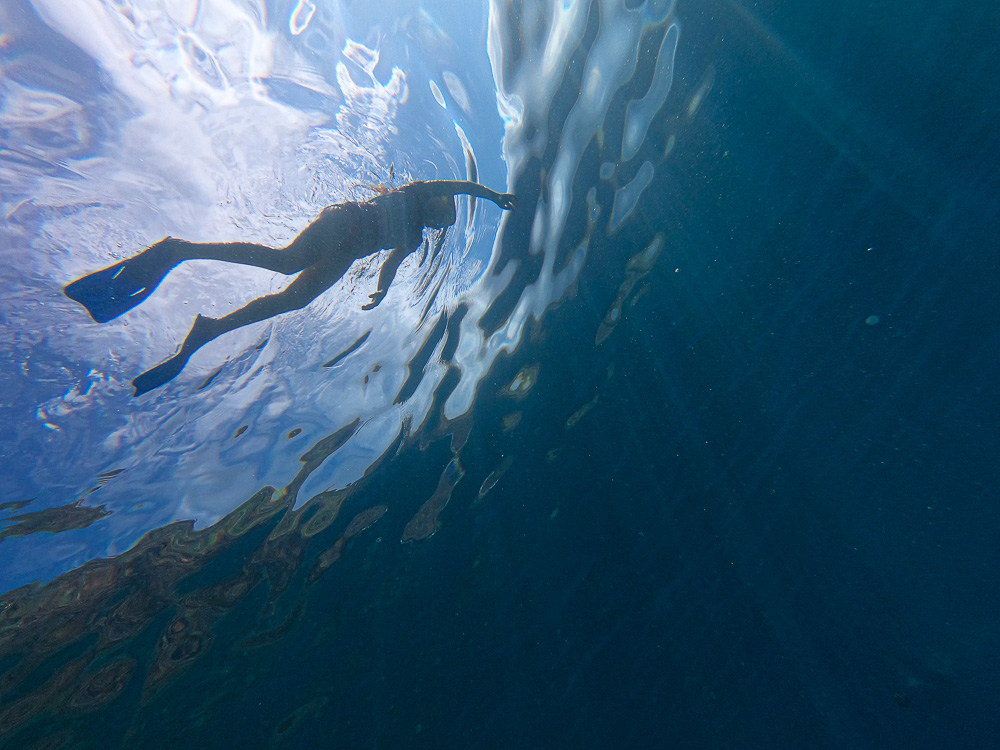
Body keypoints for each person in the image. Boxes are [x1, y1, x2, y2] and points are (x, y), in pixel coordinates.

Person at [64, 180, 516, 396]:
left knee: (293, 298)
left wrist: (381, 291)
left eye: (442, 222)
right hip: (344, 222)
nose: (439, 220)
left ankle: (210, 329)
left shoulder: (414, 236)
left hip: (347, 253)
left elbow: (392, 263)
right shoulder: (418, 193)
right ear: (438, 202)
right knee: (284, 263)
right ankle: (179, 250)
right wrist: (492, 196)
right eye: (443, 212)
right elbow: (461, 184)